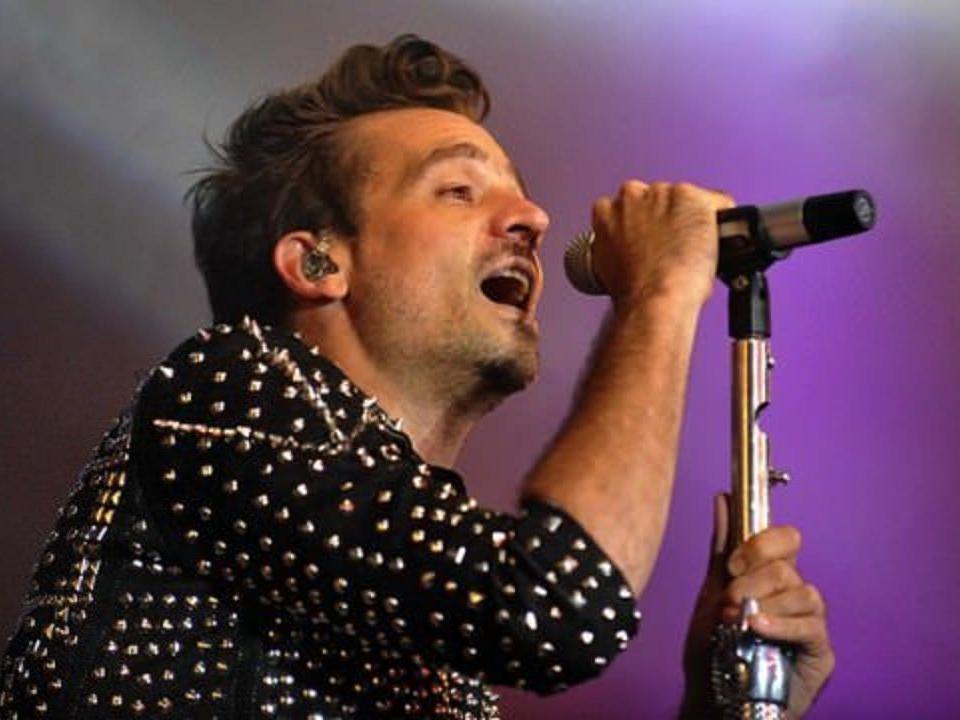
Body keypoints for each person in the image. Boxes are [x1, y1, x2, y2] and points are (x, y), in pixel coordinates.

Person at [0, 35, 832, 719]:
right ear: (318, 262)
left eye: (518, 195)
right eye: (458, 189)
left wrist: (716, 708)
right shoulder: (222, 388)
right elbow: (556, 610)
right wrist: (659, 291)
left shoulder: (443, 651)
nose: (534, 219)